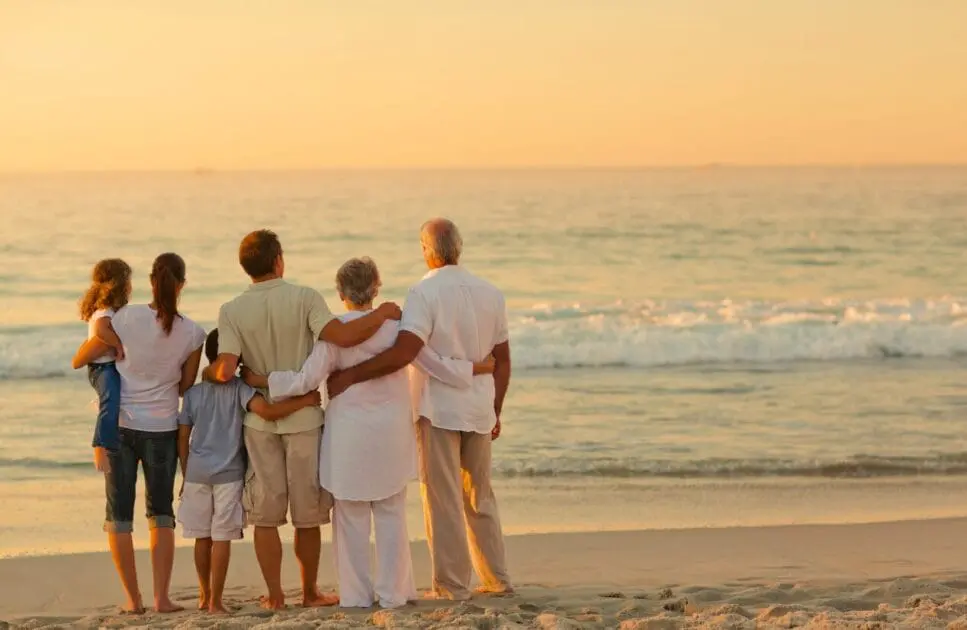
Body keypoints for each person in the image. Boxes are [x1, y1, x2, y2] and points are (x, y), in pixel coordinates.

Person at [243, 257, 495, 609]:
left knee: (350, 520)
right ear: (376, 289)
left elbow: (304, 380)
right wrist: (477, 369)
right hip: (391, 432)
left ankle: (357, 597)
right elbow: (434, 365)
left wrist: (261, 380)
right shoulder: (396, 328)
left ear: (340, 292)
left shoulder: (333, 335)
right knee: (392, 514)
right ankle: (395, 594)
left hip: (349, 436)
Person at [203, 230, 402, 609]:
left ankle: (276, 596)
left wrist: (214, 375)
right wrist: (383, 313)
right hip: (305, 419)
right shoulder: (306, 297)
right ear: (279, 260)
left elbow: (226, 369)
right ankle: (309, 591)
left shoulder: (230, 310)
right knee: (306, 512)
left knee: (265, 512)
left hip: (260, 424)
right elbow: (340, 337)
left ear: (246, 267)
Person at [327, 219, 513, 601]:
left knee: (442, 497)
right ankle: (497, 578)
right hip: (479, 408)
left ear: (428, 251)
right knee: (480, 496)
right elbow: (504, 359)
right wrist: (496, 408)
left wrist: (351, 376)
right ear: (457, 248)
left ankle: (453, 585)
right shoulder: (491, 293)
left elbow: (405, 351)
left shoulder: (423, 293)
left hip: (440, 409)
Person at [73, 252, 206, 614]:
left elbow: (88, 353)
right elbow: (185, 386)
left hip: (120, 425)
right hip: (162, 427)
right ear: (181, 285)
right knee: (161, 514)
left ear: (150, 282)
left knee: (119, 515)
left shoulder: (124, 316)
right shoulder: (194, 333)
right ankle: (162, 598)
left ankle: (133, 600)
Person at [177, 329, 323, 615]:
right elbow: (267, 412)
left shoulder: (192, 394)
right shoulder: (240, 390)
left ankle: (204, 597)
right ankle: (217, 603)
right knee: (221, 537)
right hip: (228, 475)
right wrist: (305, 402)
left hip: (196, 474)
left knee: (201, 537)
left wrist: (185, 471)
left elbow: (183, 436)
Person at [71, 258, 132, 474]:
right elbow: (101, 330)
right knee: (110, 400)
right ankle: (101, 444)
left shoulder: (112, 311)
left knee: (114, 401)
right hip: (101, 368)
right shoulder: (104, 312)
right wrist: (118, 346)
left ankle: (111, 441)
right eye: (128, 281)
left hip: (107, 366)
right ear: (118, 284)